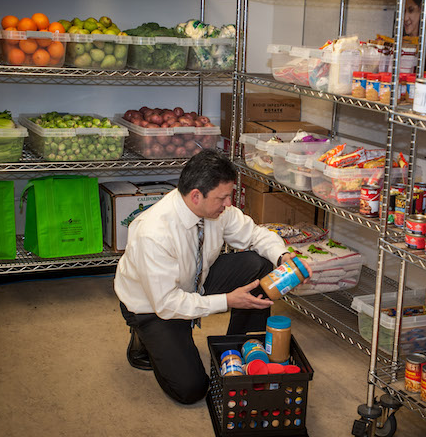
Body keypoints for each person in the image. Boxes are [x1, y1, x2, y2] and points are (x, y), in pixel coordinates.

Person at [114, 149, 308, 404]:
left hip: (197, 281)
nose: (229, 203)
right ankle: (144, 338)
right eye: (223, 197)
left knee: (259, 264)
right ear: (196, 195)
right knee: (191, 389)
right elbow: (167, 303)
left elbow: (255, 234)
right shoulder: (153, 233)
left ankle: (243, 348)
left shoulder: (216, 210)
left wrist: (283, 256)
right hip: (153, 307)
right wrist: (228, 300)